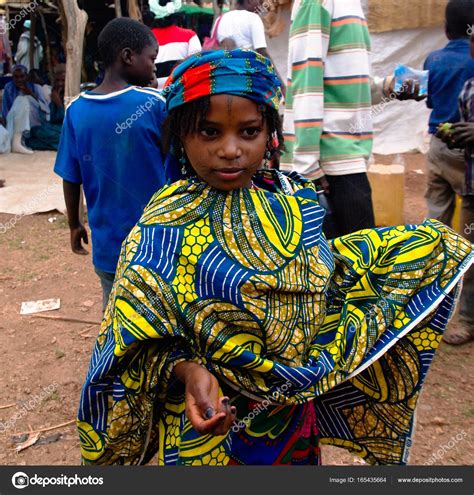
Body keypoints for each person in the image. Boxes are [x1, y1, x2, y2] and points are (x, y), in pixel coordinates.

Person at [77, 49, 473, 466]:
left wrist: (420, 253)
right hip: (207, 424)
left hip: (289, 425)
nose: (230, 150)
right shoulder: (163, 223)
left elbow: (328, 285)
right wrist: (190, 372)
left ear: (270, 134)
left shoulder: (295, 201)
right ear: (179, 135)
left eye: (248, 132)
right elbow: (133, 337)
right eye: (209, 133)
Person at [54, 18, 169, 311]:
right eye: (152, 58)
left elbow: (71, 176)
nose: (155, 66)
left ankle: (113, 356)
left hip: (108, 250)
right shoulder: (155, 105)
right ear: (128, 56)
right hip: (158, 244)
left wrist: (74, 224)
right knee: (160, 317)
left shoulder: (76, 110)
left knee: (115, 316)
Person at [281, 0, 374, 238]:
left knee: (357, 261)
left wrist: (389, 87)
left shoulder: (350, 5)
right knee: (357, 263)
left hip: (346, 155)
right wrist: (307, 167)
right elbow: (307, 82)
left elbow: (347, 83)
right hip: (330, 162)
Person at [436, 29, 474, 345]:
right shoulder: (469, 88)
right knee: (471, 256)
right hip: (472, 184)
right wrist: (455, 136)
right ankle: (468, 320)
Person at [423, 0, 474, 229]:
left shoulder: (432, 59)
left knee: (437, 215)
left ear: (445, 28)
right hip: (467, 152)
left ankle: (434, 260)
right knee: (469, 212)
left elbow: (430, 101)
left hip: (438, 146)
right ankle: (466, 262)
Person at [210, 0, 285, 91]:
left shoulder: (220, 19)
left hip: (221, 76)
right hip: (246, 78)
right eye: (258, 1)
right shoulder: (253, 18)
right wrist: (281, 86)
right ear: (249, 1)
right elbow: (263, 54)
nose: (260, 4)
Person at [149, 0, 201, 89]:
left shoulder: (145, 39)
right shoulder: (190, 36)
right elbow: (197, 70)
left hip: (152, 99)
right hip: (181, 96)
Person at [1, 64, 49, 154]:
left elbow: (44, 109)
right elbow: (5, 110)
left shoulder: (36, 87)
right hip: (14, 120)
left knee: (23, 99)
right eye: (16, 77)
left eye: (22, 76)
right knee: (21, 100)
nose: (19, 79)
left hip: (34, 120)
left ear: (26, 76)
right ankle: (17, 142)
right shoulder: (8, 87)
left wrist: (29, 93)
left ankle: (17, 142)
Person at [26, 68, 66, 151]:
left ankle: (60, 145)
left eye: (63, 80)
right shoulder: (54, 93)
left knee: (35, 140)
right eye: (57, 80)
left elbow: (68, 120)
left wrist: (58, 104)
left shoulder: (73, 95)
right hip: (54, 128)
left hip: (66, 130)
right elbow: (52, 118)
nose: (60, 83)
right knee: (35, 131)